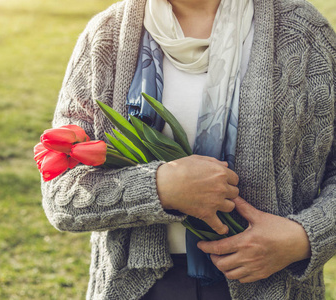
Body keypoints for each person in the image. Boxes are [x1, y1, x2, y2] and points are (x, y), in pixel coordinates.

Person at [41, 0, 336, 299]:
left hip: (275, 283)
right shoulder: (105, 36)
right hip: (138, 288)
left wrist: (303, 237)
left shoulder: (304, 32)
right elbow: (60, 195)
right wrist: (160, 188)